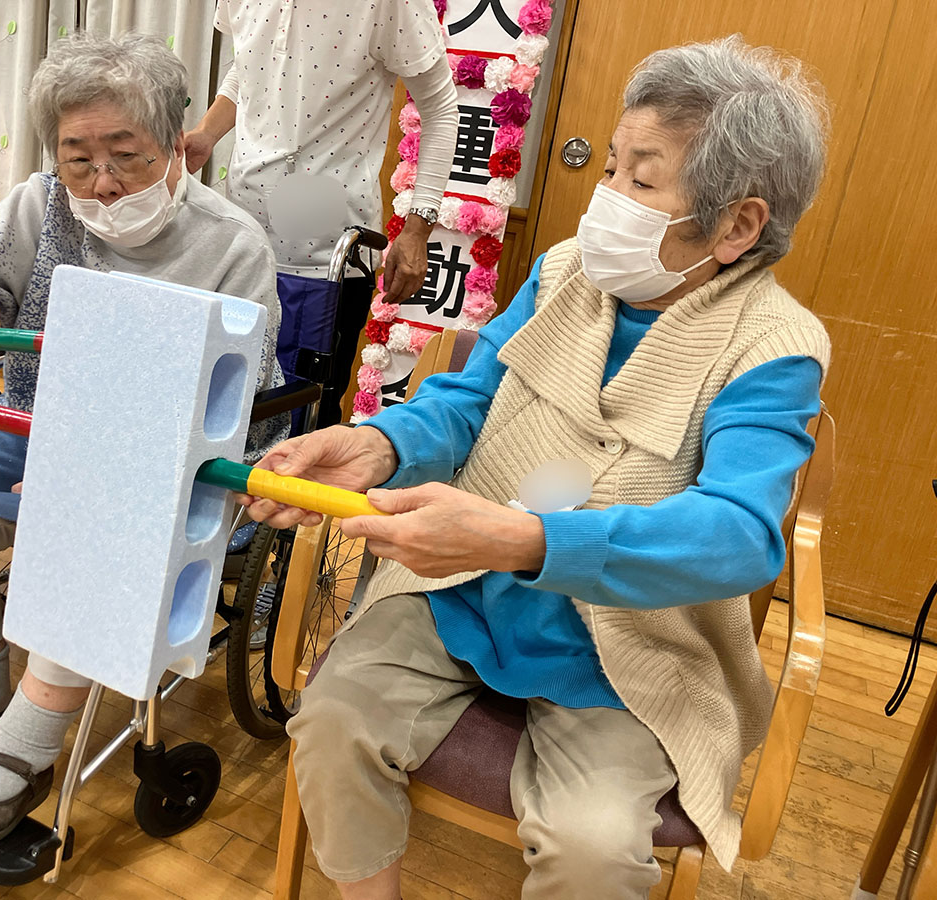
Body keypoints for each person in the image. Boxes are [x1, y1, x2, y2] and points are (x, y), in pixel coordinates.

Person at [244, 36, 831, 900]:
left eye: (641, 179)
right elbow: (470, 402)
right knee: (330, 722)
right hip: (464, 591)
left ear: (738, 225)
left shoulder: (774, 348)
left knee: (592, 848)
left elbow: (740, 536)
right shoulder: (564, 272)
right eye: (612, 168)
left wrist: (526, 538)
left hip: (627, 645)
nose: (607, 199)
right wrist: (383, 443)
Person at [0, 33, 286, 852]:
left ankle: (27, 746)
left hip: (174, 466)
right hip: (44, 437)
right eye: (78, 157)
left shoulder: (233, 244)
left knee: (89, 524)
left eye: (126, 154)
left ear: (177, 142)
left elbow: (241, 410)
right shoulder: (41, 205)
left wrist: (96, 474)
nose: (102, 182)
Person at [185, 0, 458, 425]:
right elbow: (249, 66)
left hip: (329, 258)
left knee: (302, 421)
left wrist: (418, 229)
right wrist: (207, 133)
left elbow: (440, 110)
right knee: (219, 405)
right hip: (240, 240)